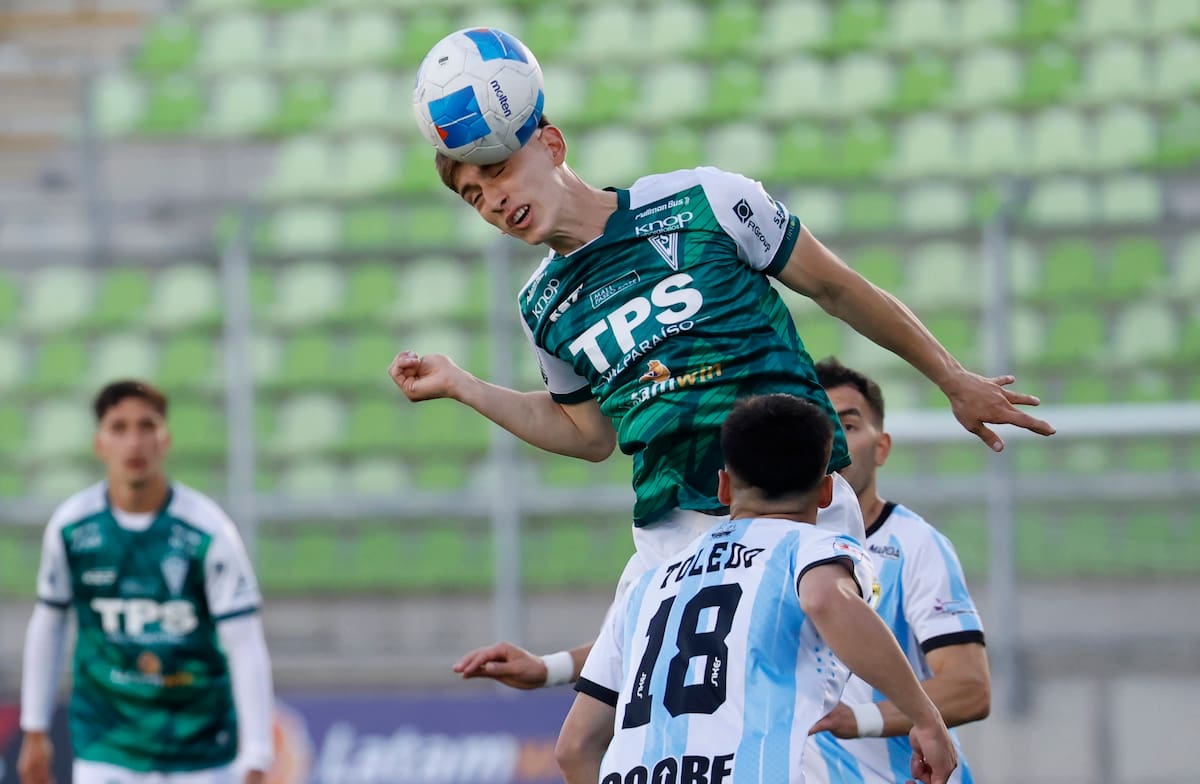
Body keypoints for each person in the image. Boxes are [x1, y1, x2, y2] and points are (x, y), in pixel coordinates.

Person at [388, 113, 1054, 687]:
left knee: (767, 700)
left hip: (783, 499)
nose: (493, 201)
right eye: (474, 196)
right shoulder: (542, 303)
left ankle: (916, 726)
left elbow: (837, 287)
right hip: (670, 529)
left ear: (553, 145)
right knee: (579, 750)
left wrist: (950, 376)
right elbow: (588, 434)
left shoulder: (705, 200)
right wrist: (463, 385)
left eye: (498, 171)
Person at [554, 394, 957, 784]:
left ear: (724, 487)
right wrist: (924, 716)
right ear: (826, 492)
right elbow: (824, 599)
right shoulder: (812, 549)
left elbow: (574, 748)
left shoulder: (649, 582)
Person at [16, 380, 275, 784]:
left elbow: (245, 644)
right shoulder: (72, 529)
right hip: (108, 743)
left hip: (200, 746)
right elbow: (49, 624)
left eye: (146, 426)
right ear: (100, 443)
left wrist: (258, 755)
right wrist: (34, 729)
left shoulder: (208, 533)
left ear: (165, 439)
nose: (133, 442)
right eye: (118, 428)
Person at [804, 358, 990, 784]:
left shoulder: (915, 544)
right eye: (818, 426)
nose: (833, 444)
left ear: (881, 446)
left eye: (847, 425)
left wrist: (861, 719)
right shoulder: (770, 551)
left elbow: (970, 688)